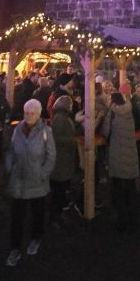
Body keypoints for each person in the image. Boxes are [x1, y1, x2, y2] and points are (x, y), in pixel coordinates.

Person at [5, 99, 56, 266]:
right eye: (26, 113)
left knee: (37, 212)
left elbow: (51, 155)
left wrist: (43, 173)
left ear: (38, 114)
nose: (28, 116)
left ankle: (36, 238)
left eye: (32, 113)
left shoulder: (45, 131)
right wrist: (10, 167)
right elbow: (11, 150)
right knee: (17, 216)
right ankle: (15, 248)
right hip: (18, 178)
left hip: (36, 179)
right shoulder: (18, 129)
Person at [102, 92, 139, 233]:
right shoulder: (130, 110)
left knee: (118, 187)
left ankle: (121, 220)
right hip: (130, 152)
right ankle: (133, 218)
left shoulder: (112, 113)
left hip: (117, 152)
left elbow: (106, 131)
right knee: (130, 187)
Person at [49, 95, 78, 224]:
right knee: (59, 188)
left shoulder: (62, 117)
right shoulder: (60, 119)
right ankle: (57, 214)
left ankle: (58, 211)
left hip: (63, 158)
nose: (71, 106)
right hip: (61, 159)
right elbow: (57, 138)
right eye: (70, 104)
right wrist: (73, 141)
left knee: (60, 187)